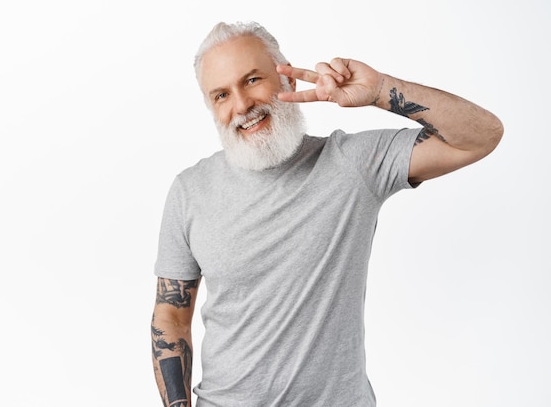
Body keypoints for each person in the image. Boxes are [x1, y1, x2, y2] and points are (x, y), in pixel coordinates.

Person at [150, 21, 503, 407]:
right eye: (221, 95)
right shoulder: (190, 190)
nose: (241, 105)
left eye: (252, 80)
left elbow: (480, 136)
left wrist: (381, 91)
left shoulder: (352, 164)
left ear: (287, 80)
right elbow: (171, 315)